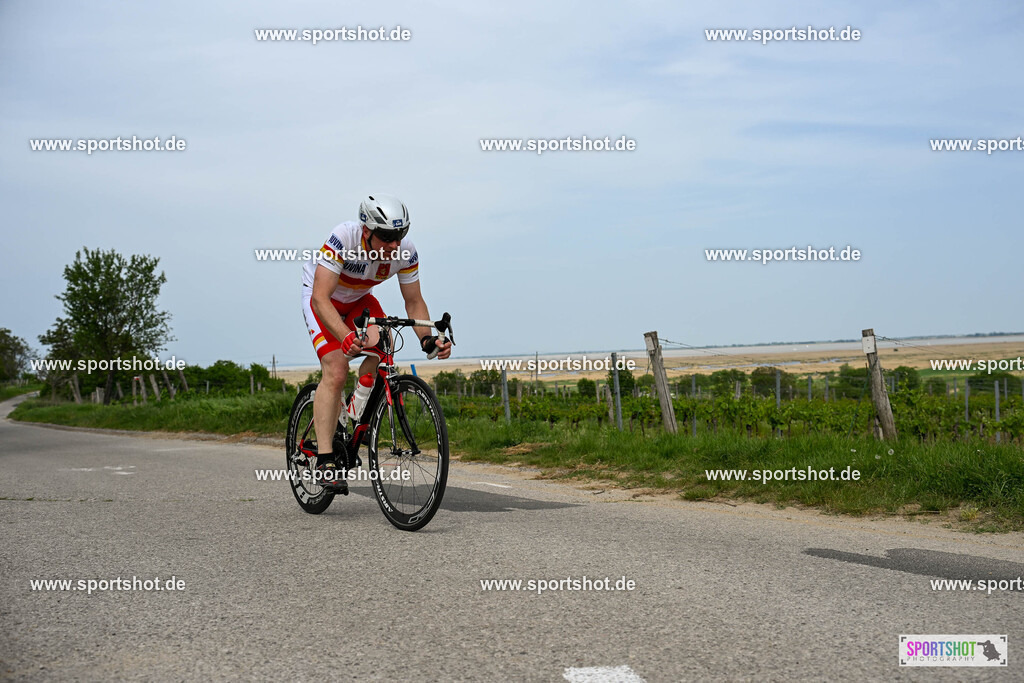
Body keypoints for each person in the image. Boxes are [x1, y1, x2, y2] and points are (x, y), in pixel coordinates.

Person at [300, 194, 451, 489]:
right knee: (337, 368)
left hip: (358, 301)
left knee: (385, 345)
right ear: (366, 231)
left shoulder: (403, 252)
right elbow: (320, 297)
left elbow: (414, 301)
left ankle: (357, 410)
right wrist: (345, 338)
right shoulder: (344, 237)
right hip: (322, 300)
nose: (395, 244)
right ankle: (325, 459)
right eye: (387, 237)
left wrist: (428, 340)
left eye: (401, 235)